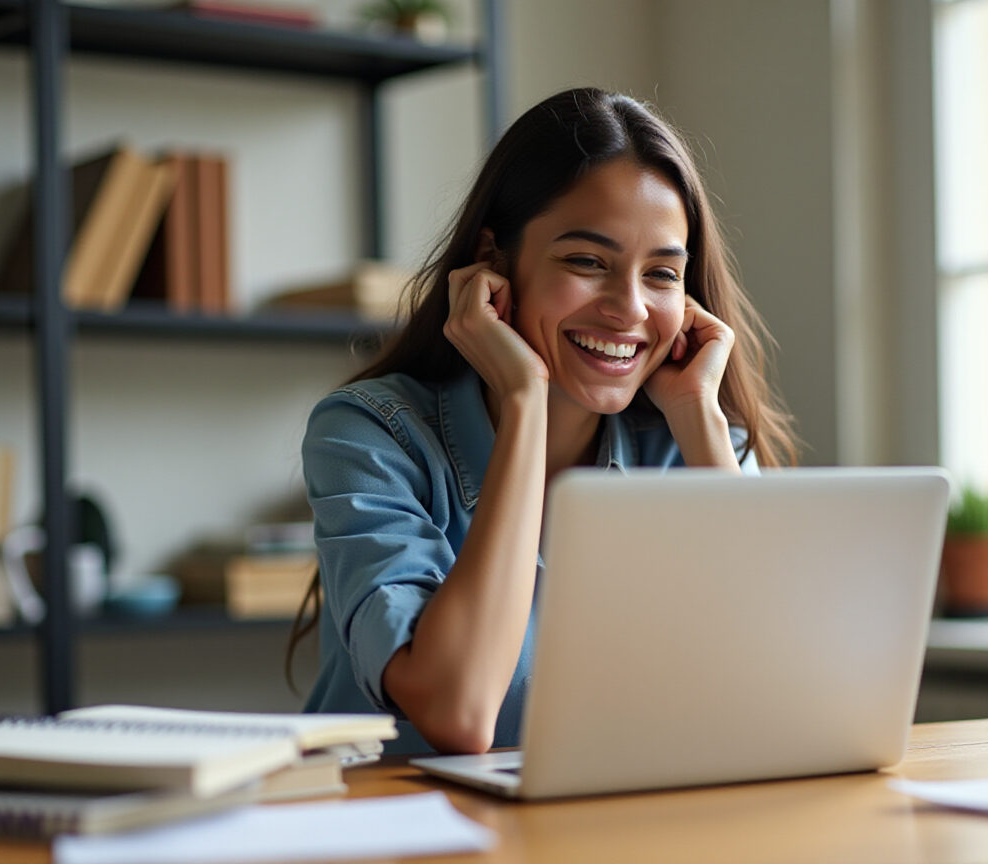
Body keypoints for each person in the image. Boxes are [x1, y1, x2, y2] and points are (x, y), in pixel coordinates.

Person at [286, 87, 797, 755]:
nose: (630, 309)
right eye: (587, 262)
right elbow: (460, 713)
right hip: (390, 814)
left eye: (662, 274)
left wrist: (700, 418)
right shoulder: (369, 434)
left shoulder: (696, 447)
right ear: (495, 260)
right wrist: (524, 399)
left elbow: (780, 704)